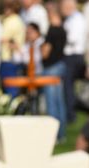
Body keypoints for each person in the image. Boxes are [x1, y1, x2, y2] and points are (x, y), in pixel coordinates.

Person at [41, 2, 67, 142]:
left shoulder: (52, 30)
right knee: (59, 102)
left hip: (51, 67)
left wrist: (41, 48)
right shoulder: (62, 29)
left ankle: (54, 135)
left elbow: (45, 52)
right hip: (60, 65)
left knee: (52, 103)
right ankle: (61, 134)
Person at [61, 0, 86, 125]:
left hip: (73, 56)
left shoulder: (77, 19)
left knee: (68, 87)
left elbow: (72, 38)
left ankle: (71, 115)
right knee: (68, 87)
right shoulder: (70, 19)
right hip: (70, 56)